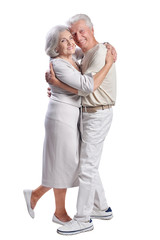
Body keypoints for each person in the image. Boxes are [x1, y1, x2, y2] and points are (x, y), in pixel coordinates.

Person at [23, 24, 114, 225]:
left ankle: (42, 199)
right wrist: (108, 63)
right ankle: (55, 208)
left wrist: (105, 45)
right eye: (63, 40)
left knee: (68, 163)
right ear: (55, 47)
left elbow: (90, 48)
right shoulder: (58, 64)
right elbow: (87, 86)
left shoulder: (71, 58)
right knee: (64, 164)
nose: (71, 42)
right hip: (61, 117)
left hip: (71, 115)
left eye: (70, 38)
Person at [46, 14, 117, 235]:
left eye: (81, 31)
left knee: (86, 167)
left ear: (92, 29)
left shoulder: (101, 54)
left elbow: (87, 87)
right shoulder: (84, 53)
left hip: (97, 114)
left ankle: (83, 218)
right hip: (85, 113)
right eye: (72, 34)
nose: (77, 37)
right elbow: (67, 62)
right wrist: (58, 87)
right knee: (88, 163)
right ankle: (101, 207)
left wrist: (108, 62)